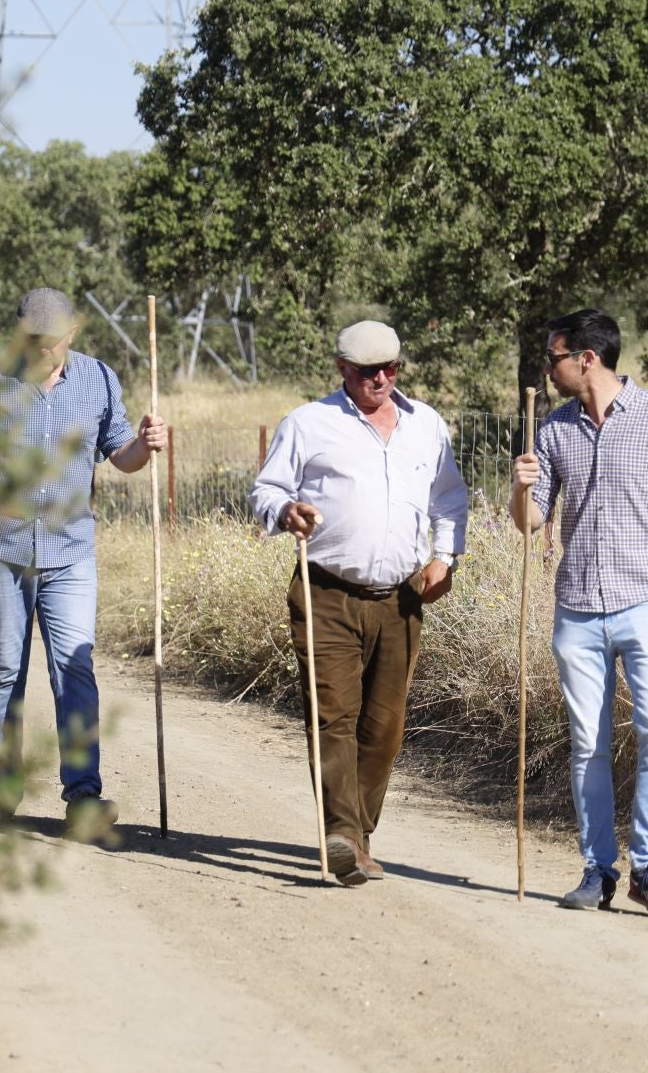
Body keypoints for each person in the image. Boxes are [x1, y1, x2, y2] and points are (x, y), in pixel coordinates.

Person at [509, 308, 648, 914]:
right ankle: (599, 869)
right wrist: (521, 485)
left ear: (586, 360)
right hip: (577, 607)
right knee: (587, 745)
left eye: (554, 359)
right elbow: (531, 524)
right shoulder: (552, 431)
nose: (548, 370)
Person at [0, 287, 167, 839]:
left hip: (70, 551)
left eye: (54, 341)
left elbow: (124, 457)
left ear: (73, 334)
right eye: (34, 341)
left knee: (74, 668)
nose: (45, 352)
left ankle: (84, 798)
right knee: (5, 673)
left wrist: (147, 442)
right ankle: (5, 788)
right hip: (2, 547)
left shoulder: (97, 378)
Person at [249, 320, 469, 886]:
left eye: (390, 369)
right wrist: (284, 511)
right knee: (333, 717)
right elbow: (266, 490)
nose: (381, 379)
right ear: (342, 368)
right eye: (368, 370)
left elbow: (449, 498)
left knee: (385, 726)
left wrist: (444, 558)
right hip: (326, 592)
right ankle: (342, 833)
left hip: (402, 597)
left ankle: (360, 835)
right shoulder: (308, 423)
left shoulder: (427, 426)